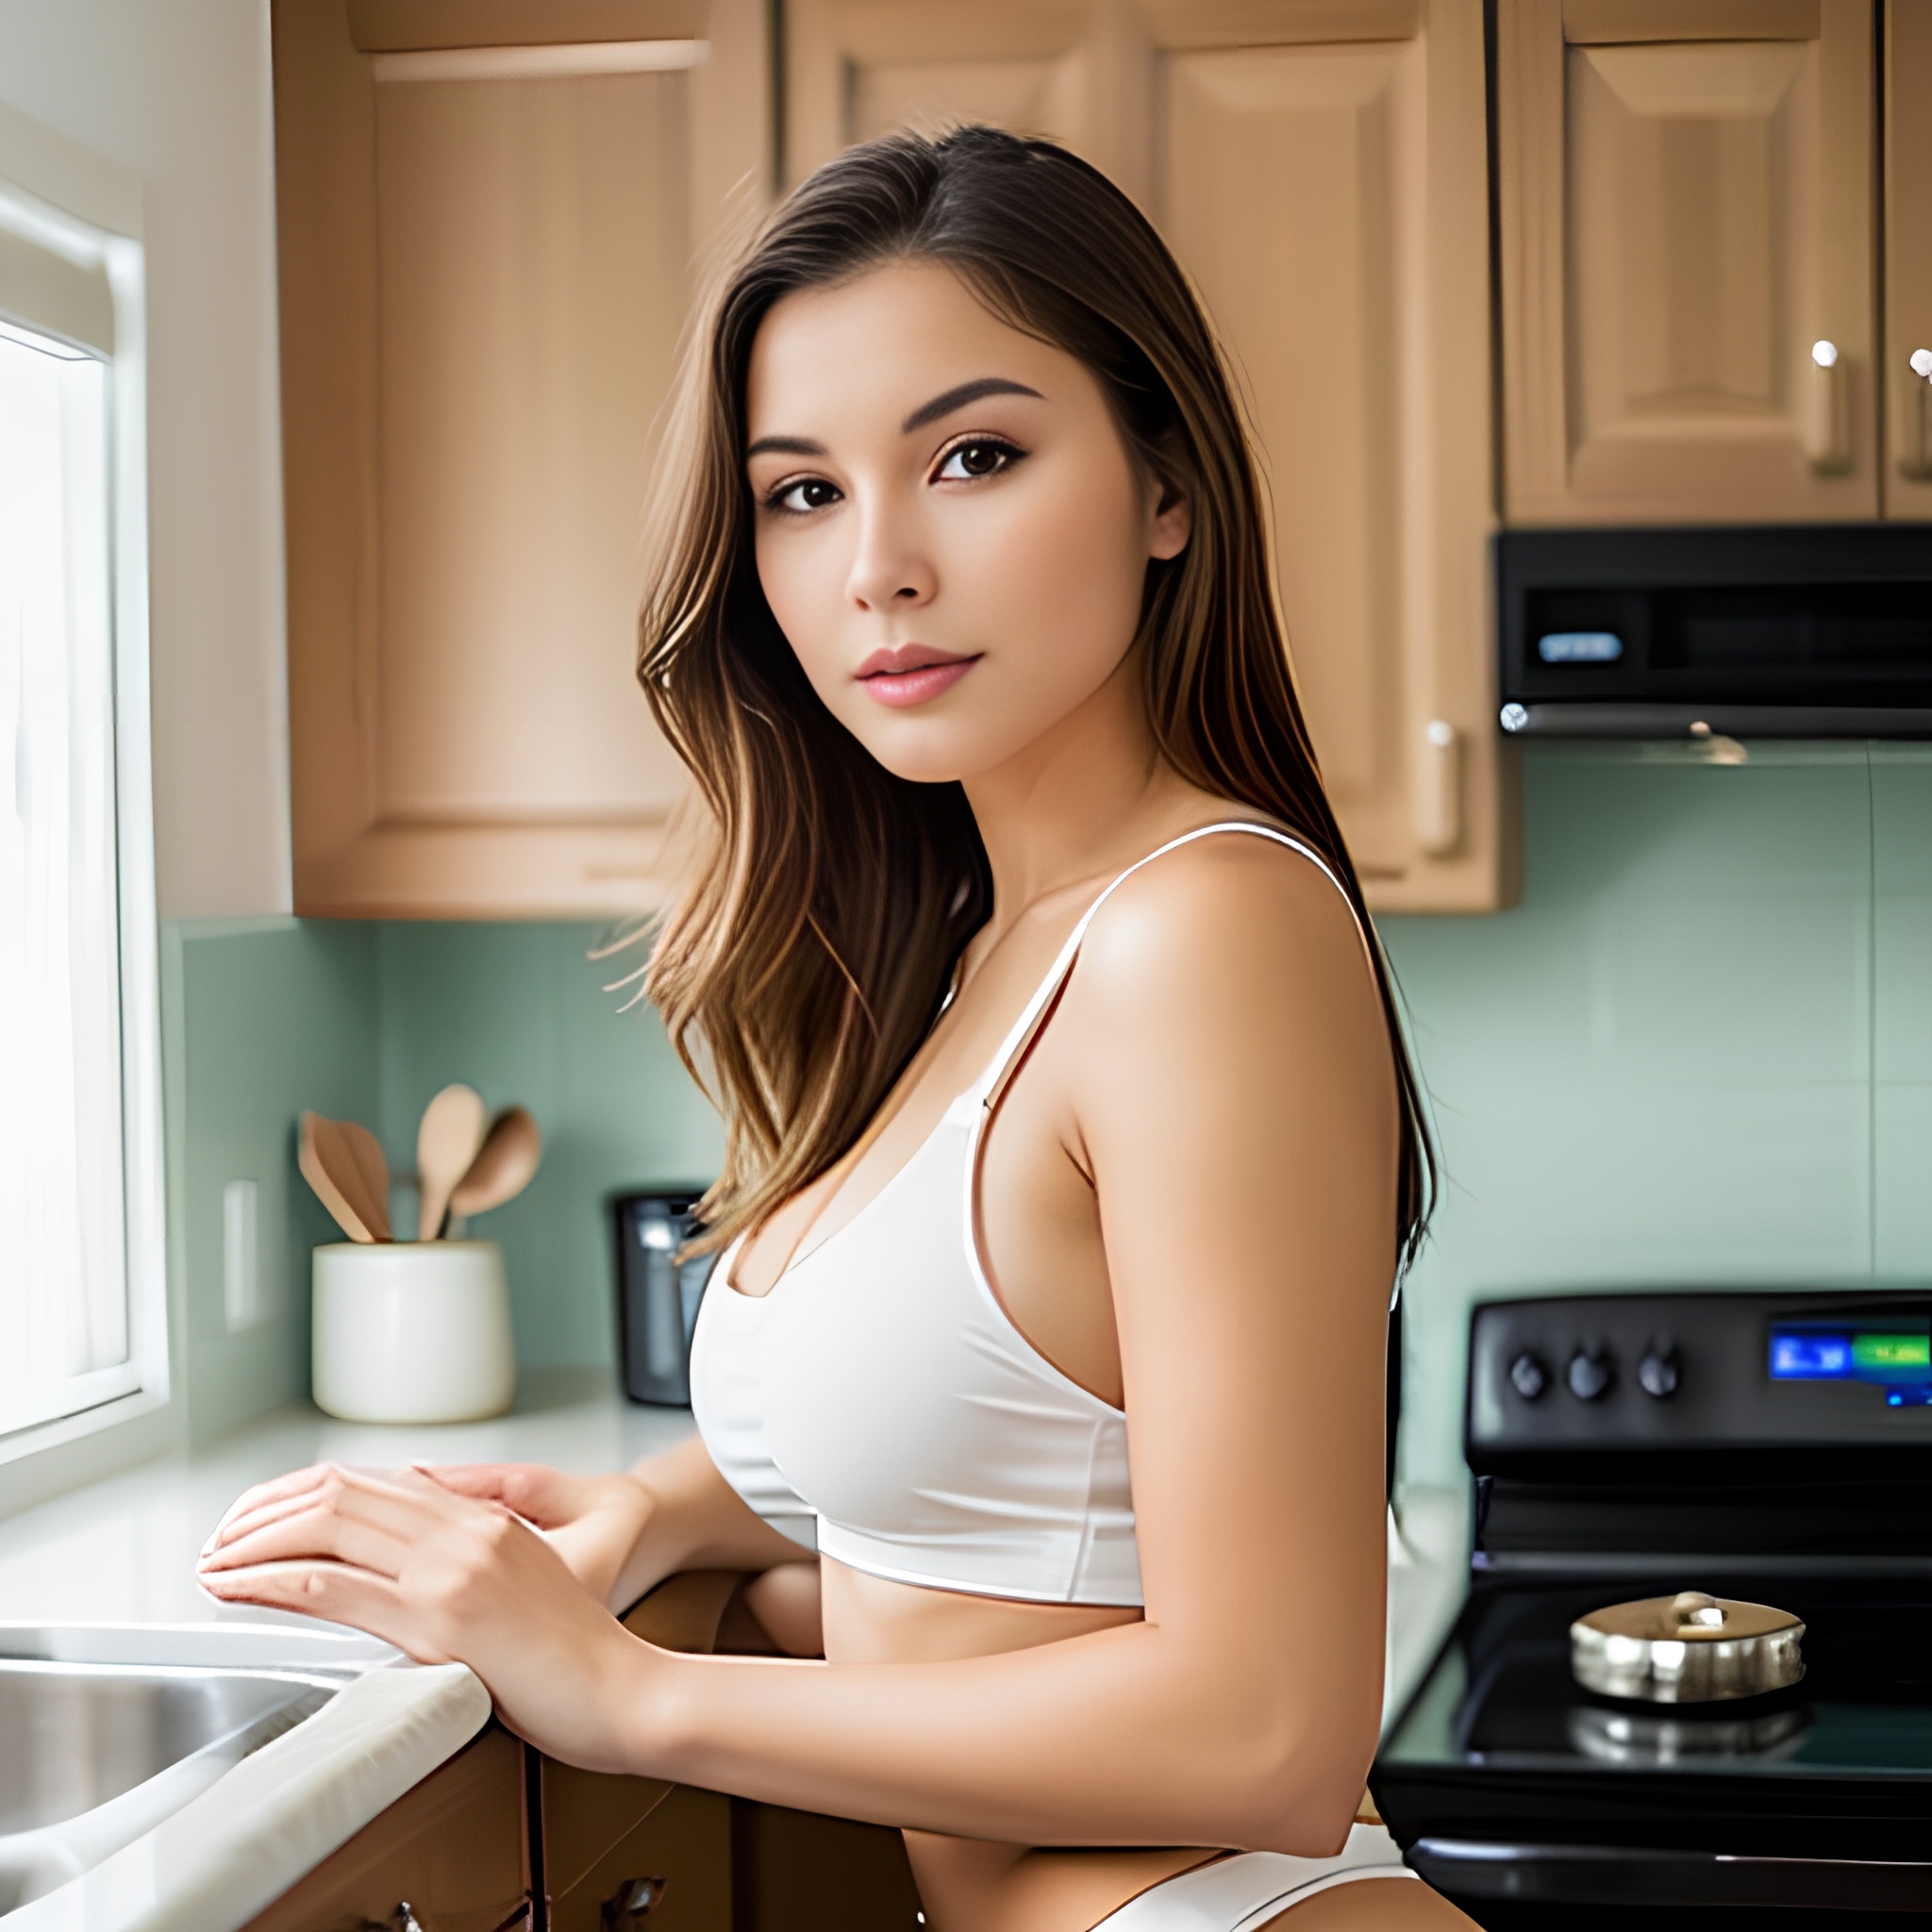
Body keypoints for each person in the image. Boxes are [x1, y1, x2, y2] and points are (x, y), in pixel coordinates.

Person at [201, 126, 1477, 1931]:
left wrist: (631, 1689)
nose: (877, 566)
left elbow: (1266, 1727)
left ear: (1166, 488)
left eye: (974, 456)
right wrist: (644, 1514)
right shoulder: (987, 947)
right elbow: (995, 1452)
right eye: (801, 490)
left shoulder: (1205, 930)